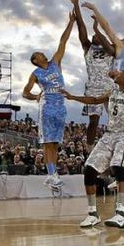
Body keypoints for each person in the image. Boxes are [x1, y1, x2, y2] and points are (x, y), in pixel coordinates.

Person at [62, 69, 124, 229]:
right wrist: (72, 97)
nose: (117, 75)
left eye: (120, 74)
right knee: (89, 169)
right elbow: (94, 100)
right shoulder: (113, 91)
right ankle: (92, 214)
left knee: (118, 167)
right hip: (109, 135)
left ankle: (121, 215)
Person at [81, 1, 124, 192]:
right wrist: (96, 28)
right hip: (120, 92)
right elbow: (104, 37)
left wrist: (95, 9)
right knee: (122, 134)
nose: (119, 39)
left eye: (123, 39)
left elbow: (107, 27)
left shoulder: (123, 50)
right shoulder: (123, 56)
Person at [23, 12, 76, 193]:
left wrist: (71, 22)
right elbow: (25, 93)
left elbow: (63, 41)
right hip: (46, 106)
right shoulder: (35, 74)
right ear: (35, 60)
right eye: (39, 54)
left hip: (60, 106)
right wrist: (35, 97)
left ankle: (52, 175)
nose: (43, 53)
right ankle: (51, 174)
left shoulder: (55, 62)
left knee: (55, 144)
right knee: (47, 144)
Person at [70, 0, 117, 149]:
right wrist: (76, 4)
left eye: (98, 35)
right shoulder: (88, 47)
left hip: (110, 88)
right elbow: (81, 26)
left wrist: (97, 28)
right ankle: (90, 150)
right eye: (93, 35)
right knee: (94, 121)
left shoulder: (111, 49)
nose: (94, 36)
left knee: (116, 119)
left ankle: (116, 146)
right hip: (93, 89)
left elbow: (107, 36)